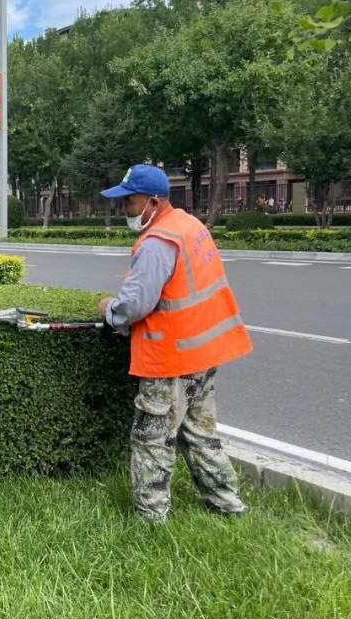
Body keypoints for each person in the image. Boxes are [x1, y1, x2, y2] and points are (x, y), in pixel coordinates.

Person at [97, 164, 253, 522]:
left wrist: (110, 310)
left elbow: (136, 305)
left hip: (170, 357)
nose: (125, 210)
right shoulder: (190, 227)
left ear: (153, 201)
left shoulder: (157, 242)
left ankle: (152, 519)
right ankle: (228, 504)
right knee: (200, 433)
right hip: (203, 352)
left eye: (130, 202)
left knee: (151, 438)